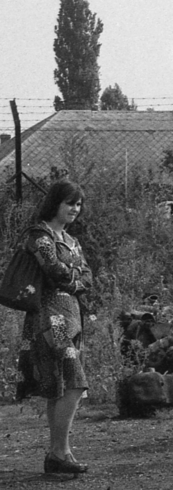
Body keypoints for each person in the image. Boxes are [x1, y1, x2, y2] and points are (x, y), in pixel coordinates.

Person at [20, 182, 94, 475]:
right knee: (74, 379)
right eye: (69, 203)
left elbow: (88, 276)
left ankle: (57, 455)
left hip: (72, 317)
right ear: (55, 204)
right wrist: (75, 279)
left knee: (60, 383)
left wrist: (74, 278)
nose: (75, 209)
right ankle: (60, 452)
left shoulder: (71, 240)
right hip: (52, 318)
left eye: (78, 204)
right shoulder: (39, 235)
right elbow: (53, 270)